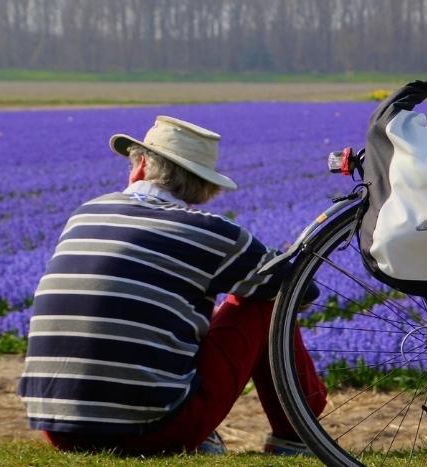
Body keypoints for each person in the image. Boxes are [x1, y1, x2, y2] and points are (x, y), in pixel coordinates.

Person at [17, 115, 327, 455]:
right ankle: (296, 431)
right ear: (206, 187)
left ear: (140, 166)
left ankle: (204, 427)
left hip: (57, 428)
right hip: (152, 432)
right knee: (266, 301)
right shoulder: (212, 234)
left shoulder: (86, 212)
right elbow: (299, 292)